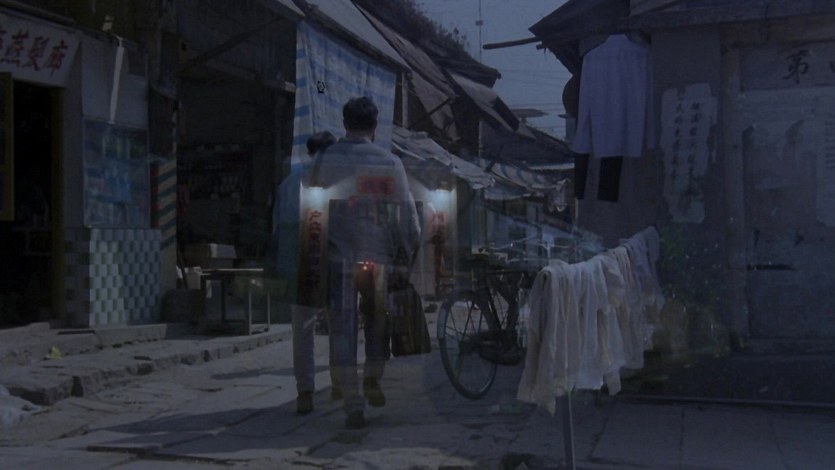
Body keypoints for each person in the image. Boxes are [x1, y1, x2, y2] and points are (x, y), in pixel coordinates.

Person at [313, 96, 421, 429]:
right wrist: (409, 252)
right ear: (375, 126)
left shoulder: (325, 159)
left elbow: (313, 211)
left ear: (344, 123)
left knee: (343, 330)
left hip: (338, 259)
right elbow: (406, 216)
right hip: (378, 260)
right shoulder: (389, 162)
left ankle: (352, 405)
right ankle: (373, 375)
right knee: (377, 322)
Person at [272, 131, 336, 415]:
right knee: (339, 327)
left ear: (309, 152)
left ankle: (305, 393)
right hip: (332, 263)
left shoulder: (289, 183)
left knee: (303, 331)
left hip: (299, 266)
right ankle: (339, 383)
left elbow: (277, 229)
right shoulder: (339, 181)